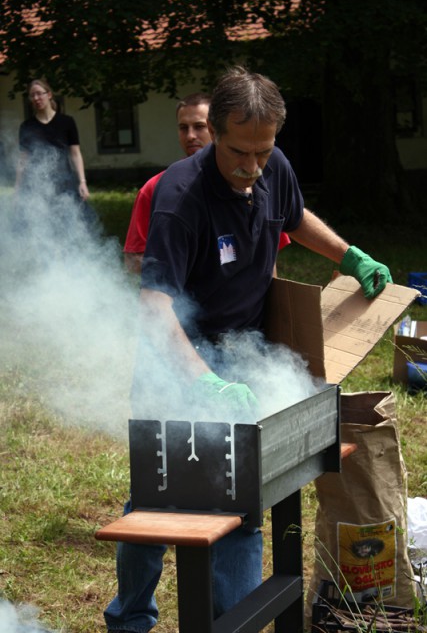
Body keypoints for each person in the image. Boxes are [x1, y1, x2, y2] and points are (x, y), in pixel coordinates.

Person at [104, 66, 392, 633]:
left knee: (243, 503)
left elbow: (294, 215)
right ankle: (131, 619)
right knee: (157, 503)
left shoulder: (271, 166)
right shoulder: (177, 200)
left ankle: (229, 623)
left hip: (245, 356)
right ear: (212, 131)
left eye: (264, 152)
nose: (252, 168)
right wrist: (203, 381)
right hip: (178, 366)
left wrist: (349, 255)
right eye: (240, 152)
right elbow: (154, 307)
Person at [123, 92, 292, 273]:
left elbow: (269, 253)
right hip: (186, 301)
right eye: (183, 128)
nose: (190, 136)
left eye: (199, 127)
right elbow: (133, 260)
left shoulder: (253, 178)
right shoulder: (156, 187)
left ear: (215, 129)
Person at [15, 78, 96, 231]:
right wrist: (18, 189)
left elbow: (75, 154)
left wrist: (82, 182)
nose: (36, 98)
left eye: (39, 94)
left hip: (64, 184)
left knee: (69, 225)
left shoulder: (66, 122)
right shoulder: (27, 126)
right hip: (36, 186)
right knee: (40, 227)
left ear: (49, 95)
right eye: (32, 95)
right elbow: (22, 160)